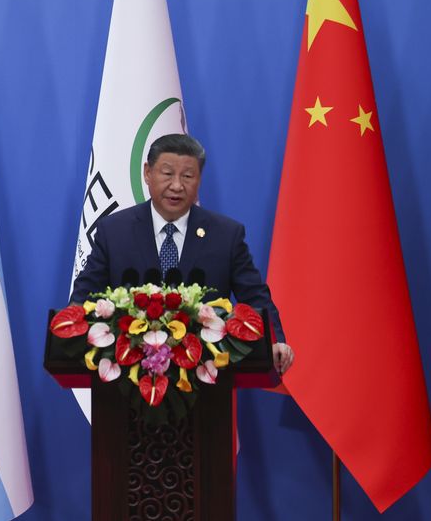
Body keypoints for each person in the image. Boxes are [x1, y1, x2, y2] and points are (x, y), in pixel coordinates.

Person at [68, 133, 295, 374]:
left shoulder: (226, 235)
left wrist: (274, 340)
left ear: (198, 180)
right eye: (167, 174)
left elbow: (255, 296)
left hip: (206, 378)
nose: (177, 185)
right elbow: (85, 294)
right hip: (127, 379)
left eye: (187, 176)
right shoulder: (114, 232)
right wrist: (68, 330)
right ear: (147, 173)